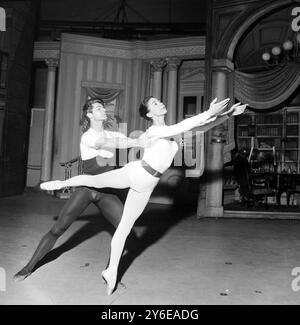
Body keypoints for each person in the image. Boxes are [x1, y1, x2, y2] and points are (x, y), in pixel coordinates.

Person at [40, 96, 247, 295]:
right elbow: (184, 126)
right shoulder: (156, 130)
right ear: (149, 113)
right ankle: (60, 183)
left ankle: (111, 271)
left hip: (148, 184)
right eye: (155, 103)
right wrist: (208, 112)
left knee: (124, 228)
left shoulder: (167, 131)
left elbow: (198, 129)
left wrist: (228, 115)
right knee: (92, 181)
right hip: (137, 172)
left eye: (159, 101)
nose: (161, 103)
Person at [14, 98, 149, 282]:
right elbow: (114, 144)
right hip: (86, 188)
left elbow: (126, 140)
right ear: (90, 114)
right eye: (98, 107)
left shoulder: (111, 134)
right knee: (57, 229)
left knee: (124, 228)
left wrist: (145, 140)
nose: (103, 110)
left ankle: (110, 271)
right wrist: (135, 142)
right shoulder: (89, 136)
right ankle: (28, 268)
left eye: (103, 107)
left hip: (106, 190)